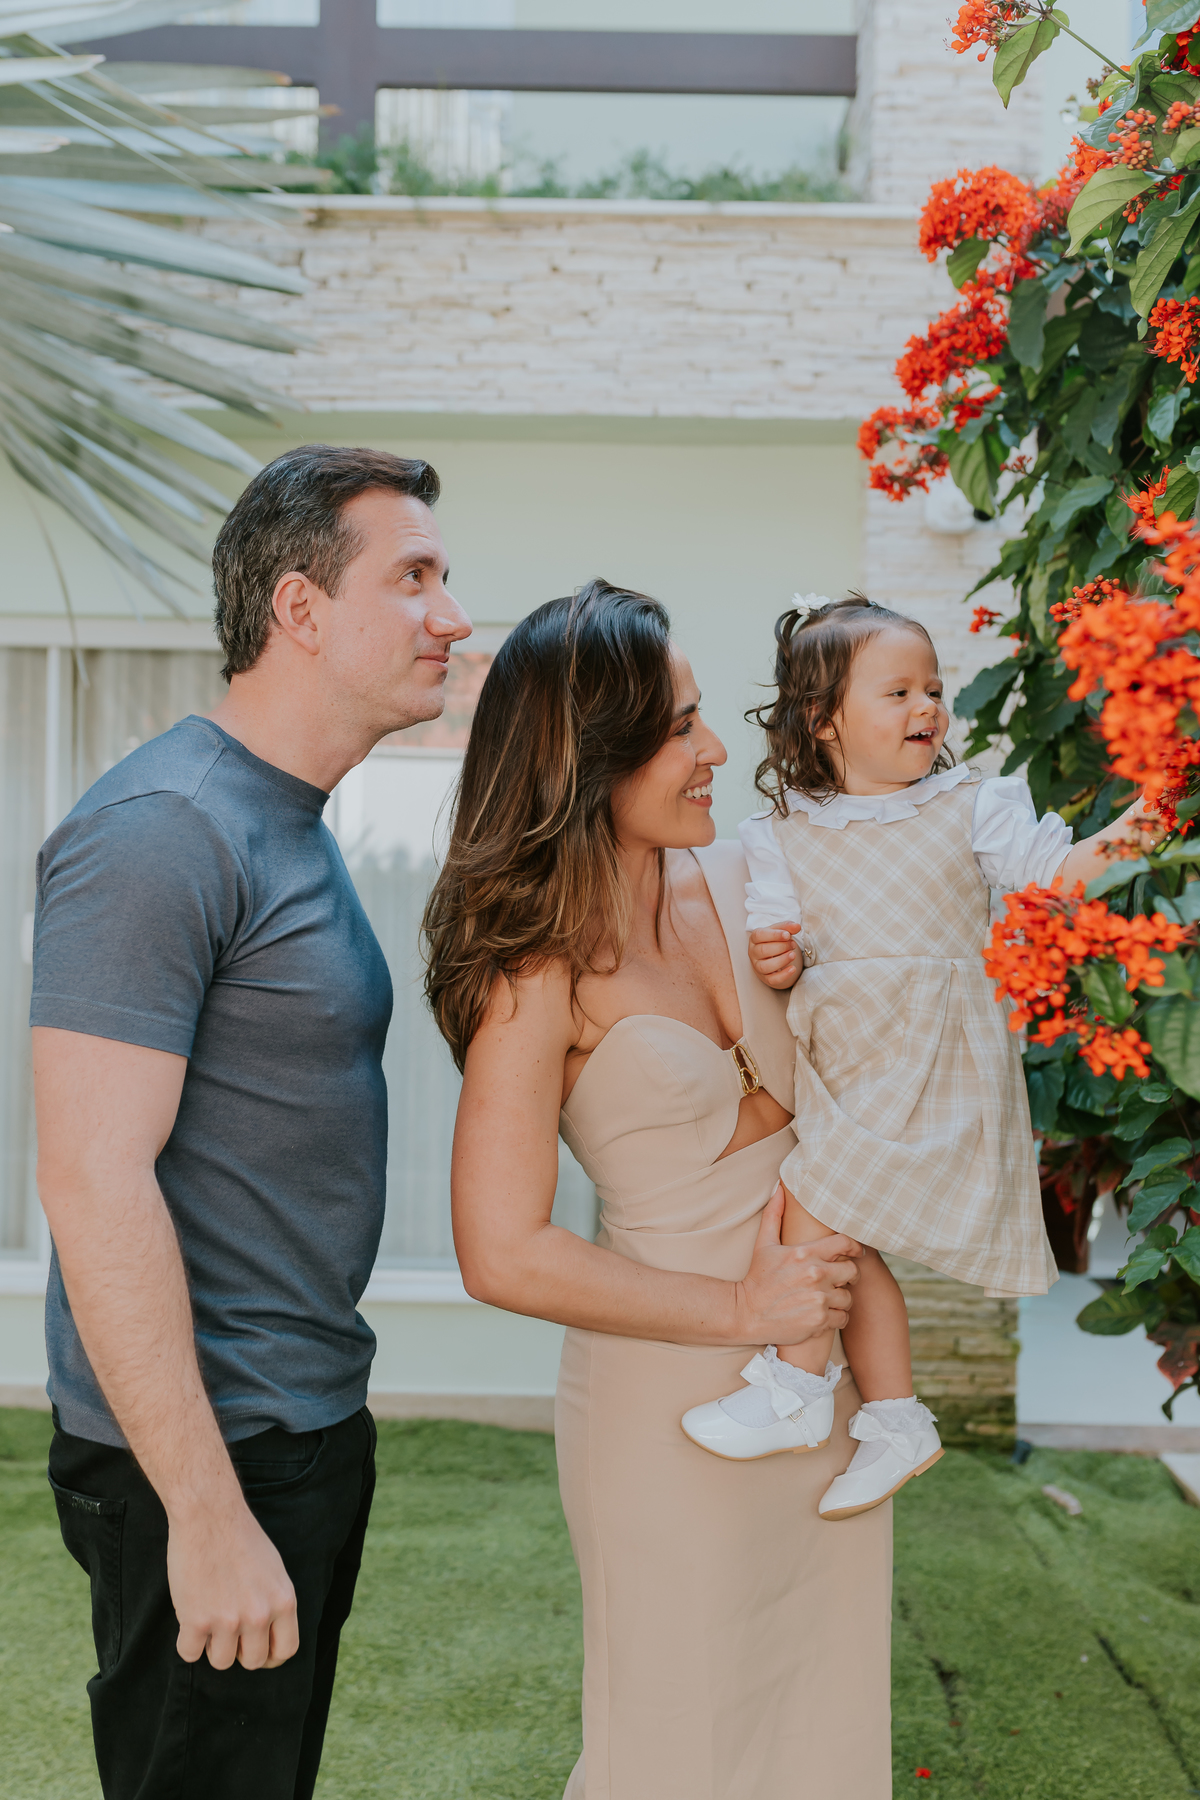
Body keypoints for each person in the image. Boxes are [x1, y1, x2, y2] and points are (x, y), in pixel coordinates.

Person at [30, 444, 472, 1800]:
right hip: (207, 1457)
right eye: (414, 578)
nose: (451, 616)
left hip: (298, 1423)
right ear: (299, 608)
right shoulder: (167, 827)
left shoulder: (286, 818)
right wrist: (208, 1511)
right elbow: (93, 1177)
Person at [424, 580, 891, 1800]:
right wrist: (743, 1312)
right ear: (590, 760)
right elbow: (501, 1251)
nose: (716, 749)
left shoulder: (755, 879)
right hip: (672, 1408)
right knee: (676, 1748)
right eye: (680, 728)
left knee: (824, 1728)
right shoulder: (532, 974)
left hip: (821, 1380)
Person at [681, 594, 1155, 1520]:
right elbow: (778, 943)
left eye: (932, 689)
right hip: (845, 1062)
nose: (928, 707)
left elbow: (1054, 877)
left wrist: (1146, 819)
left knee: (816, 1207)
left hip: (933, 1057)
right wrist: (779, 956)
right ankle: (895, 1420)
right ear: (823, 721)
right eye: (897, 692)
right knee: (841, 1237)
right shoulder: (780, 833)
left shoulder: (970, 805)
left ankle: (797, 1388)